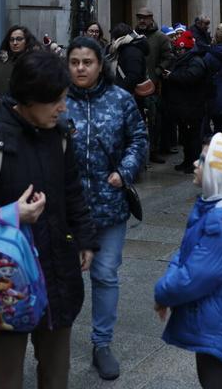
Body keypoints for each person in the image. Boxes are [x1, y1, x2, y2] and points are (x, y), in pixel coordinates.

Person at [0, 49, 98, 389]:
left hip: (57, 272)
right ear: (29, 100)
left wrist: (86, 237)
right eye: (56, 101)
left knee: (57, 373)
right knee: (5, 377)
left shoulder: (59, 134)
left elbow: (72, 191)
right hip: (4, 280)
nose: (63, 108)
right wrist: (12, 214)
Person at [64, 37, 148, 381]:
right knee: (65, 278)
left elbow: (139, 139)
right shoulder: (57, 101)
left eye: (88, 62)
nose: (81, 68)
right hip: (66, 210)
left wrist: (124, 171)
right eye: (74, 62)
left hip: (109, 207)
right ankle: (55, 341)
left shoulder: (120, 99)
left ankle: (102, 343)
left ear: (101, 65)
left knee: (104, 274)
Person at [154, 134, 222, 389]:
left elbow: (192, 276)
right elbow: (187, 254)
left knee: (219, 380)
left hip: (220, 329)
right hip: (215, 322)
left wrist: (163, 293)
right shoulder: (214, 210)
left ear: (220, 173)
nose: (195, 163)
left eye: (203, 161)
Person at [162, 30, 212, 174]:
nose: (179, 51)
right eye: (177, 49)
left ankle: (194, 162)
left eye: (181, 49)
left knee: (193, 137)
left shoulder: (195, 61)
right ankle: (187, 160)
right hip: (184, 105)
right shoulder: (184, 59)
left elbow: (191, 77)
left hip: (193, 104)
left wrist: (173, 76)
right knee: (185, 136)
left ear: (187, 48)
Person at [136, 7, 174, 160]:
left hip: (153, 85)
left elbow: (169, 57)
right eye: (139, 17)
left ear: (151, 18)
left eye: (145, 18)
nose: (142, 20)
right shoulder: (134, 36)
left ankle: (154, 150)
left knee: (154, 119)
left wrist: (158, 72)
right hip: (135, 84)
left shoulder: (161, 37)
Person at [0, 25, 38, 98]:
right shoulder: (0, 61)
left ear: (26, 40)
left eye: (19, 39)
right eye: (11, 39)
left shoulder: (34, 62)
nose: (15, 43)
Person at [107, 23, 149, 96]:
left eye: (113, 38)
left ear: (118, 38)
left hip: (130, 96)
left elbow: (133, 77)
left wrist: (118, 92)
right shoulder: (126, 48)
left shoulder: (131, 51)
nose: (112, 41)